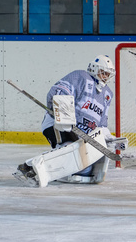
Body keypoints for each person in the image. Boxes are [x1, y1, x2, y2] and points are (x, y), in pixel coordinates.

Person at [15, 55, 124, 187]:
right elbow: (58, 92)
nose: (105, 76)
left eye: (108, 74)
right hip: (58, 125)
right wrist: (63, 115)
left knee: (84, 168)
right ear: (94, 69)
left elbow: (102, 124)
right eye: (103, 72)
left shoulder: (107, 94)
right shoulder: (81, 76)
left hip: (80, 135)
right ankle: (28, 168)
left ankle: (56, 172)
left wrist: (109, 138)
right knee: (67, 150)